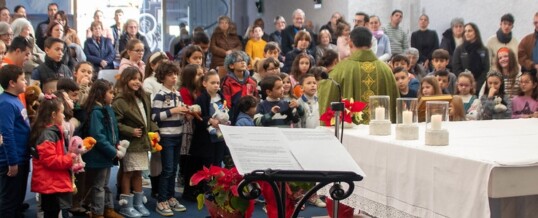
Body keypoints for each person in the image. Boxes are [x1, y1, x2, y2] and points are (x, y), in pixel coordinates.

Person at [319, 27, 399, 123]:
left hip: (350, 135)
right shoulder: (386, 70)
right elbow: (395, 105)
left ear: (350, 43)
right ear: (371, 44)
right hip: (380, 133)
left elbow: (327, 95)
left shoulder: (341, 69)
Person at [112, 67, 157, 217]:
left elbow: (148, 118)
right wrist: (130, 131)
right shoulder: (120, 101)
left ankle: (137, 202)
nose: (137, 82)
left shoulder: (144, 97)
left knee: (139, 172)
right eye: (133, 79)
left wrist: (155, 130)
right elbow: (115, 123)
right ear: (125, 80)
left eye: (139, 79)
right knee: (128, 172)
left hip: (143, 142)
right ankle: (126, 204)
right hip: (130, 143)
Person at [151, 62, 190, 215]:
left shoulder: (177, 93)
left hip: (178, 133)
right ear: (162, 77)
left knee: (174, 169)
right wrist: (173, 110)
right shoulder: (160, 94)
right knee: (167, 169)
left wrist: (185, 114)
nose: (174, 77)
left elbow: (178, 115)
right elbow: (155, 116)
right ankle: (161, 200)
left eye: (175, 74)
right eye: (170, 75)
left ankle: (171, 197)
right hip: (166, 135)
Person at [81, 79, 124, 218]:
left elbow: (113, 131)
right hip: (99, 155)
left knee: (104, 184)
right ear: (101, 93)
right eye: (110, 92)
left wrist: (117, 144)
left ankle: (108, 209)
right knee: (99, 185)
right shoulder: (96, 112)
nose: (113, 95)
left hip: (106, 155)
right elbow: (98, 136)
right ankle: (97, 212)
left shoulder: (107, 109)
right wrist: (113, 151)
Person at [183, 71, 227, 201]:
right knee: (207, 164)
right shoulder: (202, 98)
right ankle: (206, 190)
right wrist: (209, 120)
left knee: (218, 162)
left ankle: (216, 189)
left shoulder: (221, 96)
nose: (216, 86)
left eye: (218, 83)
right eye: (212, 83)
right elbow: (198, 118)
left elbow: (225, 111)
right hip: (205, 139)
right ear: (204, 83)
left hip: (218, 137)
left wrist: (224, 120)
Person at [29, 92, 74, 218]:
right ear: (54, 115)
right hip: (50, 183)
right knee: (52, 212)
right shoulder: (47, 134)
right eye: (62, 112)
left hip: (52, 181)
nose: (64, 115)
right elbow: (50, 160)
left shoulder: (51, 130)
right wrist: (70, 158)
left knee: (55, 211)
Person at [0, 65, 30, 218]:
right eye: (23, 79)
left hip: (21, 157)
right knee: (9, 200)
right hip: (12, 159)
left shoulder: (15, 100)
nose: (25, 82)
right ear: (12, 83)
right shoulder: (6, 103)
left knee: (18, 196)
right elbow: (7, 134)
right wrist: (12, 162)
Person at [452, 23, 489, 91]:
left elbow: (486, 69)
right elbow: (456, 68)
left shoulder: (484, 50)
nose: (467, 33)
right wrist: (466, 82)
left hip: (479, 86)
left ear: (476, 32)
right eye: (465, 31)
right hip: (463, 86)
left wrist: (476, 84)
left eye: (470, 31)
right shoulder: (459, 50)